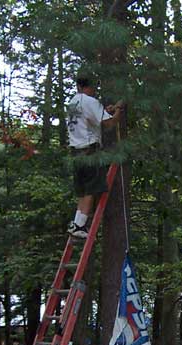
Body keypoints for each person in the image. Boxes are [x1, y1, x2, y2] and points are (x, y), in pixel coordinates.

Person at [66, 70, 124, 238]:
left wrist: (105, 110)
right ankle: (79, 225)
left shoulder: (73, 102)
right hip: (89, 151)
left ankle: (77, 223)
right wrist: (118, 111)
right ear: (91, 86)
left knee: (83, 190)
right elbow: (110, 123)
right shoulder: (91, 102)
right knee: (90, 189)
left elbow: (89, 118)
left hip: (76, 152)